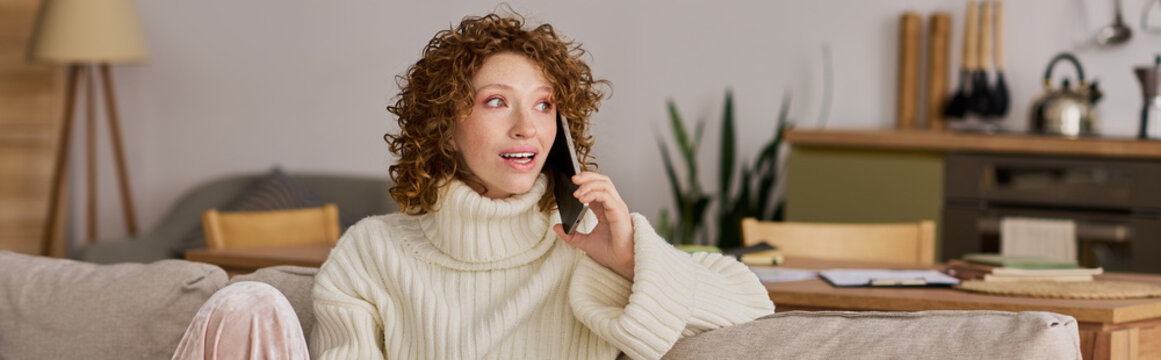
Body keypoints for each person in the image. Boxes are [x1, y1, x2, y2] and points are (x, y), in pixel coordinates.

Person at [309, 10, 775, 360]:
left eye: (543, 105)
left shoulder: (586, 242)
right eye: (496, 102)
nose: (526, 128)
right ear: (444, 127)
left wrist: (632, 259)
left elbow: (752, 303)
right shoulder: (370, 254)